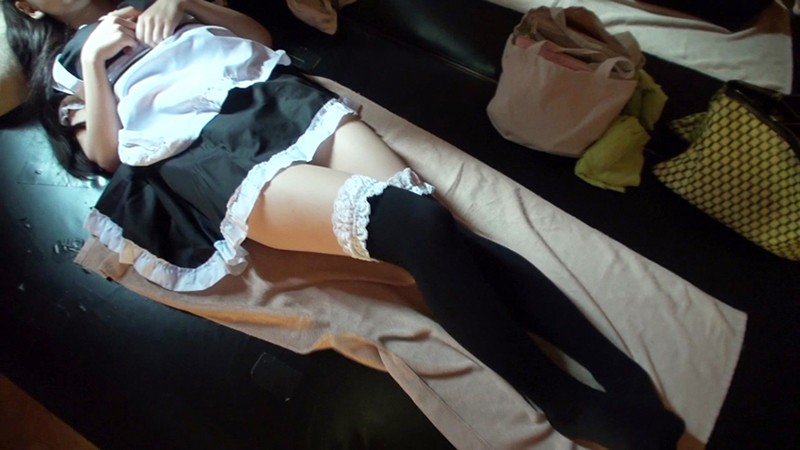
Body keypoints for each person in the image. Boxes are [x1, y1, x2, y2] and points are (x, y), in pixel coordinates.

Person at [4, 0, 685, 448]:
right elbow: (104, 154)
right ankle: (565, 401)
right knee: (417, 228)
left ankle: (614, 369)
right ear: (32, 8)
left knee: (445, 232)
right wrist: (94, 62)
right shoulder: (66, 69)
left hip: (278, 101)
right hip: (208, 152)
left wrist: (181, 2)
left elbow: (258, 37)